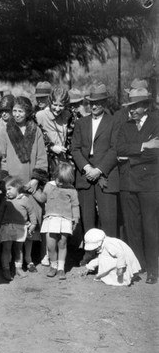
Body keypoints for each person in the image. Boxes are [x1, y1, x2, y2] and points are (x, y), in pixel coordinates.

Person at [116, 88, 159, 284]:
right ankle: (138, 265)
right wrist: (143, 146)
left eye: (135, 107)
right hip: (128, 184)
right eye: (130, 107)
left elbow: (156, 154)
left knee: (150, 227)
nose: (131, 110)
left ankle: (153, 269)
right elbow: (119, 148)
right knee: (132, 227)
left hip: (150, 183)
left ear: (146, 107)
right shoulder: (125, 126)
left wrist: (130, 159)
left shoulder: (156, 122)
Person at [71, 84, 120, 238]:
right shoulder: (81, 123)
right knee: (87, 218)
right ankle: (89, 253)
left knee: (108, 218)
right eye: (91, 102)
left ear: (105, 103)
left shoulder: (114, 122)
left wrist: (98, 170)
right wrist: (87, 168)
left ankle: (109, 255)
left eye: (98, 102)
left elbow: (115, 149)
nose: (94, 106)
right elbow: (75, 149)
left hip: (106, 173)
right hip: (85, 175)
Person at [38, 162, 80, 279]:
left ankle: (61, 268)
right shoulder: (49, 186)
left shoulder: (71, 190)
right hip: (51, 219)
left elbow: (75, 205)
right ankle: (53, 265)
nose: (61, 183)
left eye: (64, 182)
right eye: (59, 180)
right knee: (51, 244)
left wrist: (75, 219)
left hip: (65, 219)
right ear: (54, 175)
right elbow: (42, 198)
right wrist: (33, 191)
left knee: (62, 243)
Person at [0, 96, 48, 188]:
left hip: (30, 182)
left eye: (20, 111)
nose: (16, 114)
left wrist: (36, 179)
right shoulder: (5, 131)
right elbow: (0, 157)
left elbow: (41, 158)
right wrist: (6, 180)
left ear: (27, 113)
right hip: (10, 183)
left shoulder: (36, 131)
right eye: (14, 111)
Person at [0, 176, 36, 281]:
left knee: (19, 249)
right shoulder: (5, 201)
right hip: (7, 227)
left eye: (9, 189)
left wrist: (33, 224)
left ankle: (18, 268)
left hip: (20, 228)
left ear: (17, 187)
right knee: (6, 248)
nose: (7, 192)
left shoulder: (25, 199)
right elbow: (0, 214)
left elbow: (31, 212)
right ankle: (6, 268)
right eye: (5, 190)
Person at [35, 87, 72, 177]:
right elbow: (36, 139)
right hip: (48, 161)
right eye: (55, 105)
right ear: (50, 102)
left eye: (61, 105)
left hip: (63, 161)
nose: (57, 109)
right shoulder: (40, 116)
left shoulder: (68, 115)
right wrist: (51, 147)